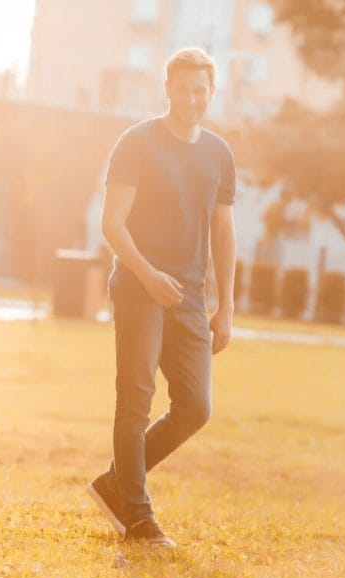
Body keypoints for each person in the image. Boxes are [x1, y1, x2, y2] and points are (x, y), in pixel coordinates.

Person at [86, 48, 237, 548]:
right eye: (184, 89)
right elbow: (112, 223)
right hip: (138, 287)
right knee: (136, 400)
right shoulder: (138, 143)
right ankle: (138, 517)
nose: (192, 99)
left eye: (202, 91)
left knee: (195, 408)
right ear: (167, 88)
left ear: (211, 94)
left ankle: (115, 482)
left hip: (191, 298)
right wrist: (148, 275)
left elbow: (223, 231)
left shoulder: (218, 153)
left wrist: (227, 305)